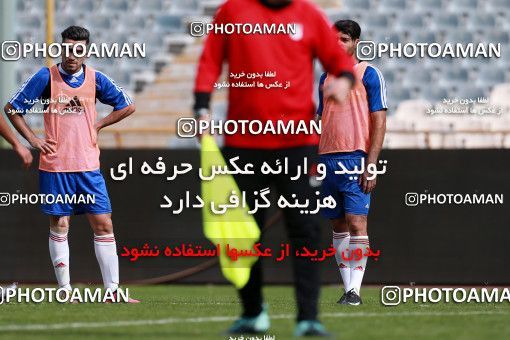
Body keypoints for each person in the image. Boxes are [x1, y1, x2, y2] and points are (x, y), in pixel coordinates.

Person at [194, 0, 355, 335]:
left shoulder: (309, 15)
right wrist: (201, 108)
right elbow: (210, 61)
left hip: (297, 144)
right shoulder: (232, 12)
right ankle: (253, 313)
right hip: (243, 142)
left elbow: (339, 62)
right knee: (242, 233)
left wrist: (343, 80)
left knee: (306, 230)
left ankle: (308, 319)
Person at [4, 26, 138, 302]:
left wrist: (99, 124)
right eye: (67, 48)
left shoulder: (96, 79)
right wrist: (32, 139)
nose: (72, 54)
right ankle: (65, 290)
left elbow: (127, 105)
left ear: (86, 51)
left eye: (78, 49)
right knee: (60, 224)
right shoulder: (46, 77)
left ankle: (112, 292)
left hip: (88, 166)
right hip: (56, 165)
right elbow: (12, 109)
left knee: (103, 224)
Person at [316, 20, 387, 305]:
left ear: (356, 42)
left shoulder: (369, 73)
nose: (338, 44)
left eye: (344, 39)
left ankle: (354, 291)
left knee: (357, 222)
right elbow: (320, 120)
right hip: (327, 159)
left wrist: (371, 163)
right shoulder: (324, 79)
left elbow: (379, 121)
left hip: (355, 158)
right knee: (337, 226)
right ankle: (348, 289)